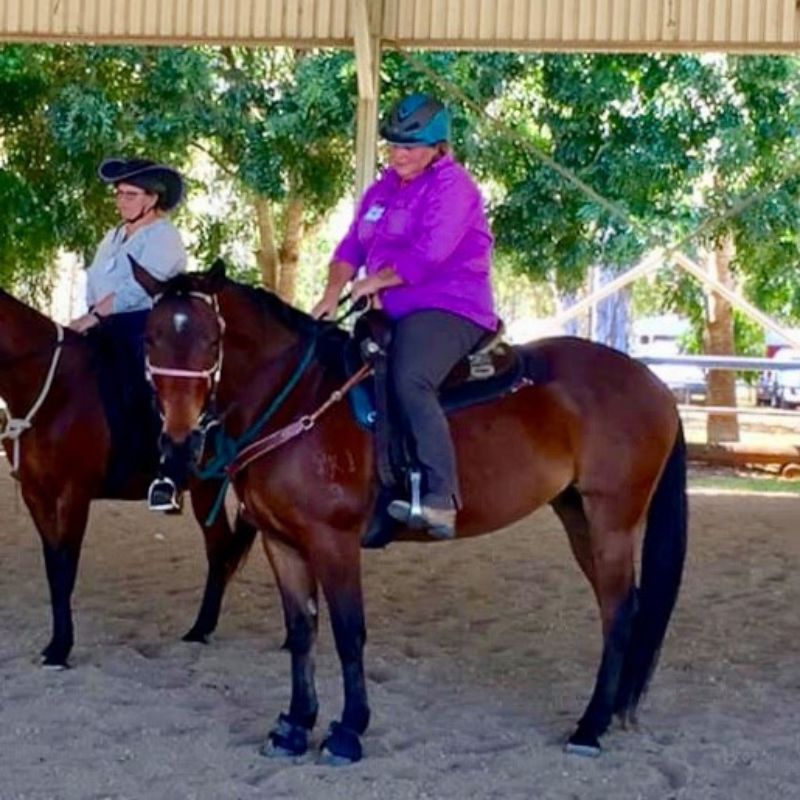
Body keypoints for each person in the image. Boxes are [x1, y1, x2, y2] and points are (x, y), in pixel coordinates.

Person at [312, 93, 498, 539]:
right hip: (388, 309)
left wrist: (373, 283)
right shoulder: (383, 189)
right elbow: (351, 246)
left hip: (448, 305)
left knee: (410, 378)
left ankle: (441, 496)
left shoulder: (454, 187)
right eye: (393, 146)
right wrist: (333, 291)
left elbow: (430, 256)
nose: (399, 155)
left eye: (410, 148)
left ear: (438, 147)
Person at [69, 157, 188, 512]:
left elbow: (138, 289)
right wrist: (90, 316)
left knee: (144, 386)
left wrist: (93, 317)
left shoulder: (165, 236)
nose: (121, 201)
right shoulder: (113, 235)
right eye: (119, 194)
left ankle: (168, 472)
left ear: (152, 199)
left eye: (129, 194)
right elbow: (97, 282)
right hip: (102, 321)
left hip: (146, 325)